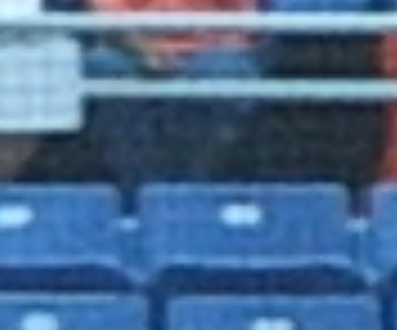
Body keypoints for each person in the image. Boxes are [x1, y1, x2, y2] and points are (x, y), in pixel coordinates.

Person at [78, 0, 263, 189]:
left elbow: (241, 21)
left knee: (223, 71)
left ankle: (187, 190)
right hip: (131, 50)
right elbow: (109, 16)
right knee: (104, 67)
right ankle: (133, 190)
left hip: (208, 49)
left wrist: (194, 50)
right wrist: (146, 53)